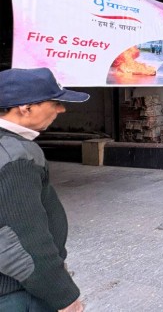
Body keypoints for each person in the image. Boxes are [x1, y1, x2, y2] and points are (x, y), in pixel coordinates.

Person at [0, 67, 88, 312]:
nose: (61, 110)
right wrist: (64, 296)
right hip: (18, 294)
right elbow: (22, 241)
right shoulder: (15, 157)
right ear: (25, 108)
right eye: (55, 103)